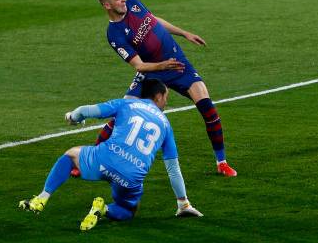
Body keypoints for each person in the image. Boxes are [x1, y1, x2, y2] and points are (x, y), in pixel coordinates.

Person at [78, 0, 236, 177]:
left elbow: (154, 20)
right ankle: (90, 161)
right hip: (152, 71)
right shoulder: (114, 34)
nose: (124, 0)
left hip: (177, 64)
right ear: (107, 6)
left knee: (208, 108)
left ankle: (222, 162)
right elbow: (139, 66)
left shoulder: (134, 4)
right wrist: (162, 65)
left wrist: (184, 33)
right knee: (121, 114)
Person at [19, 79, 202, 231]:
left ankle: (42, 198)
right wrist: (183, 203)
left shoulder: (126, 103)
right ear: (158, 96)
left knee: (71, 155)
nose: (166, 102)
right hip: (130, 177)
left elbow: (85, 111)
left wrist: (73, 117)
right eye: (166, 97)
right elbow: (173, 170)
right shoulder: (166, 125)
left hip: (104, 159)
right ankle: (103, 209)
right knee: (128, 210)